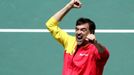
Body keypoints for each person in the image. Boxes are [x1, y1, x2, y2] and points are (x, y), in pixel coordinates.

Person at [45, 0, 110, 75]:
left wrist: (95, 43)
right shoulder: (70, 41)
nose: (78, 32)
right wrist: (69, 6)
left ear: (91, 32)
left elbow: (105, 54)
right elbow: (50, 25)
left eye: (83, 30)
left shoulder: (94, 49)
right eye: (77, 29)